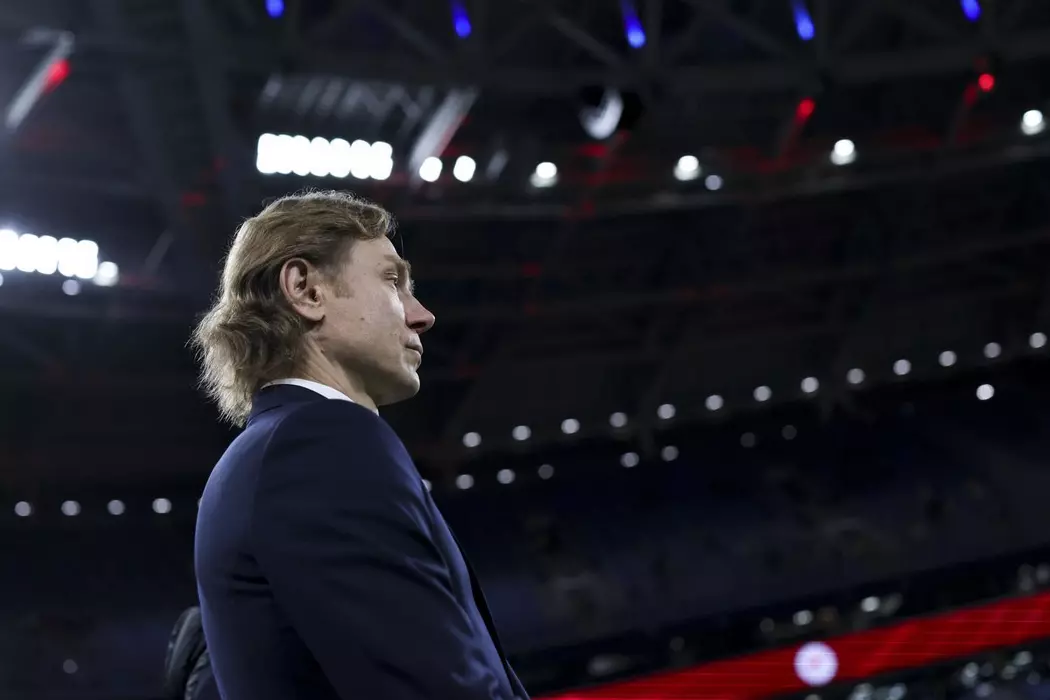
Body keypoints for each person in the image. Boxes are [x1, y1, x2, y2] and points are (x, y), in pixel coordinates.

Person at [190, 191, 528, 699]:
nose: (422, 315)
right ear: (306, 290)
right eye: (393, 280)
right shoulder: (319, 443)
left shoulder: (266, 453)